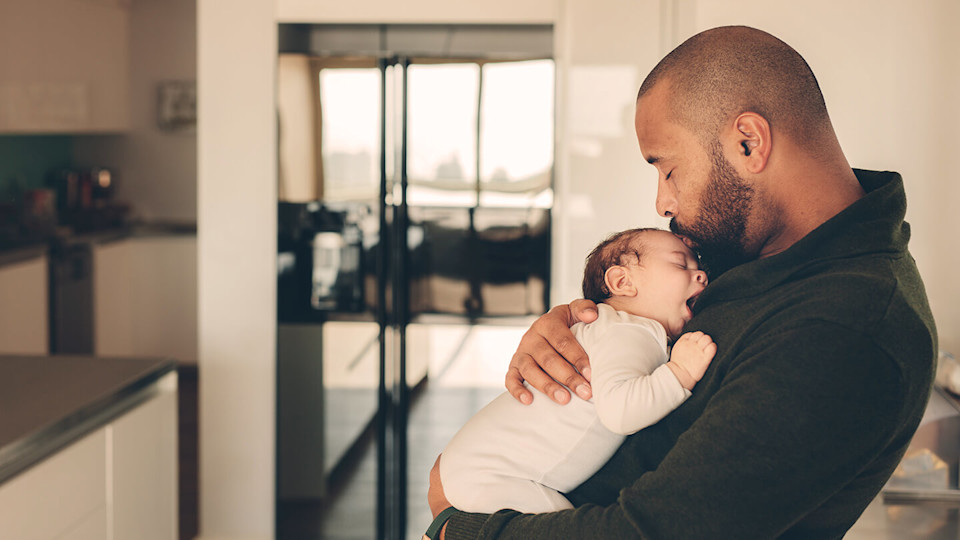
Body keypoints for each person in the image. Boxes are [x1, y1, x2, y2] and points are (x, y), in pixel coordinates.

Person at [425, 25, 938, 540]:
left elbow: (654, 531)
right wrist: (579, 326)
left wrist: (466, 530)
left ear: (748, 142)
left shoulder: (846, 327)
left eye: (667, 169)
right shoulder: (755, 252)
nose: (662, 204)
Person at [437, 228, 715, 515]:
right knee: (559, 527)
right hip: (493, 472)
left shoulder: (609, 328)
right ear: (622, 281)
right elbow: (620, 411)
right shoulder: (630, 331)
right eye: (681, 265)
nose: (701, 275)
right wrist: (680, 372)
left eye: (699, 267)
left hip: (472, 463)